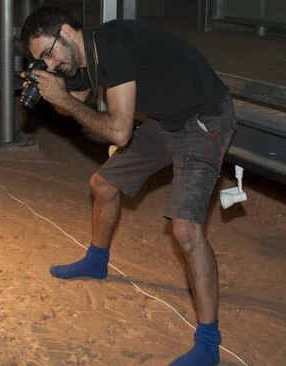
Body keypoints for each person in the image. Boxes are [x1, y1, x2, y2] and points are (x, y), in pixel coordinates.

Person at [20, 7, 237, 366]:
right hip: (167, 123)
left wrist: (61, 98)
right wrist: (50, 90)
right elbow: (73, 105)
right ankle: (96, 260)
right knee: (102, 184)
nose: (51, 64)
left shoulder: (113, 43)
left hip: (206, 120)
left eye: (48, 54)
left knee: (185, 229)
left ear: (67, 32)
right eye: (42, 61)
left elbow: (119, 131)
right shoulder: (80, 58)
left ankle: (209, 343)